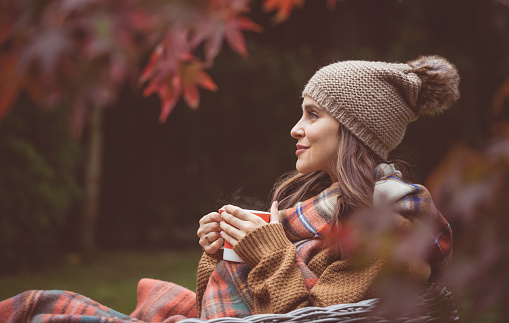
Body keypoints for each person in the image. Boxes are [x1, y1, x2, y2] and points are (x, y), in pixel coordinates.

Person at [0, 55, 458, 322]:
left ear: (356, 130)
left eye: (313, 114)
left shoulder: (389, 231)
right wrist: (223, 251)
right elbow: (215, 302)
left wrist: (268, 251)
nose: (295, 129)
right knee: (35, 307)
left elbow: (309, 318)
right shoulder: (310, 206)